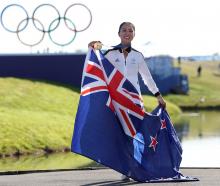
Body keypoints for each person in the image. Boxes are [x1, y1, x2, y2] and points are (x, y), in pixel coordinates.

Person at [88, 22, 166, 181]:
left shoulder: (138, 56)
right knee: (121, 134)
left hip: (134, 101)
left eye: (130, 30)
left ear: (134, 34)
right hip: (117, 101)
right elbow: (100, 71)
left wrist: (158, 95)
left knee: (133, 134)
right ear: (119, 33)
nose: (127, 33)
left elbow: (147, 78)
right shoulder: (109, 54)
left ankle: (132, 167)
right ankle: (126, 167)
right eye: (124, 30)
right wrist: (92, 49)